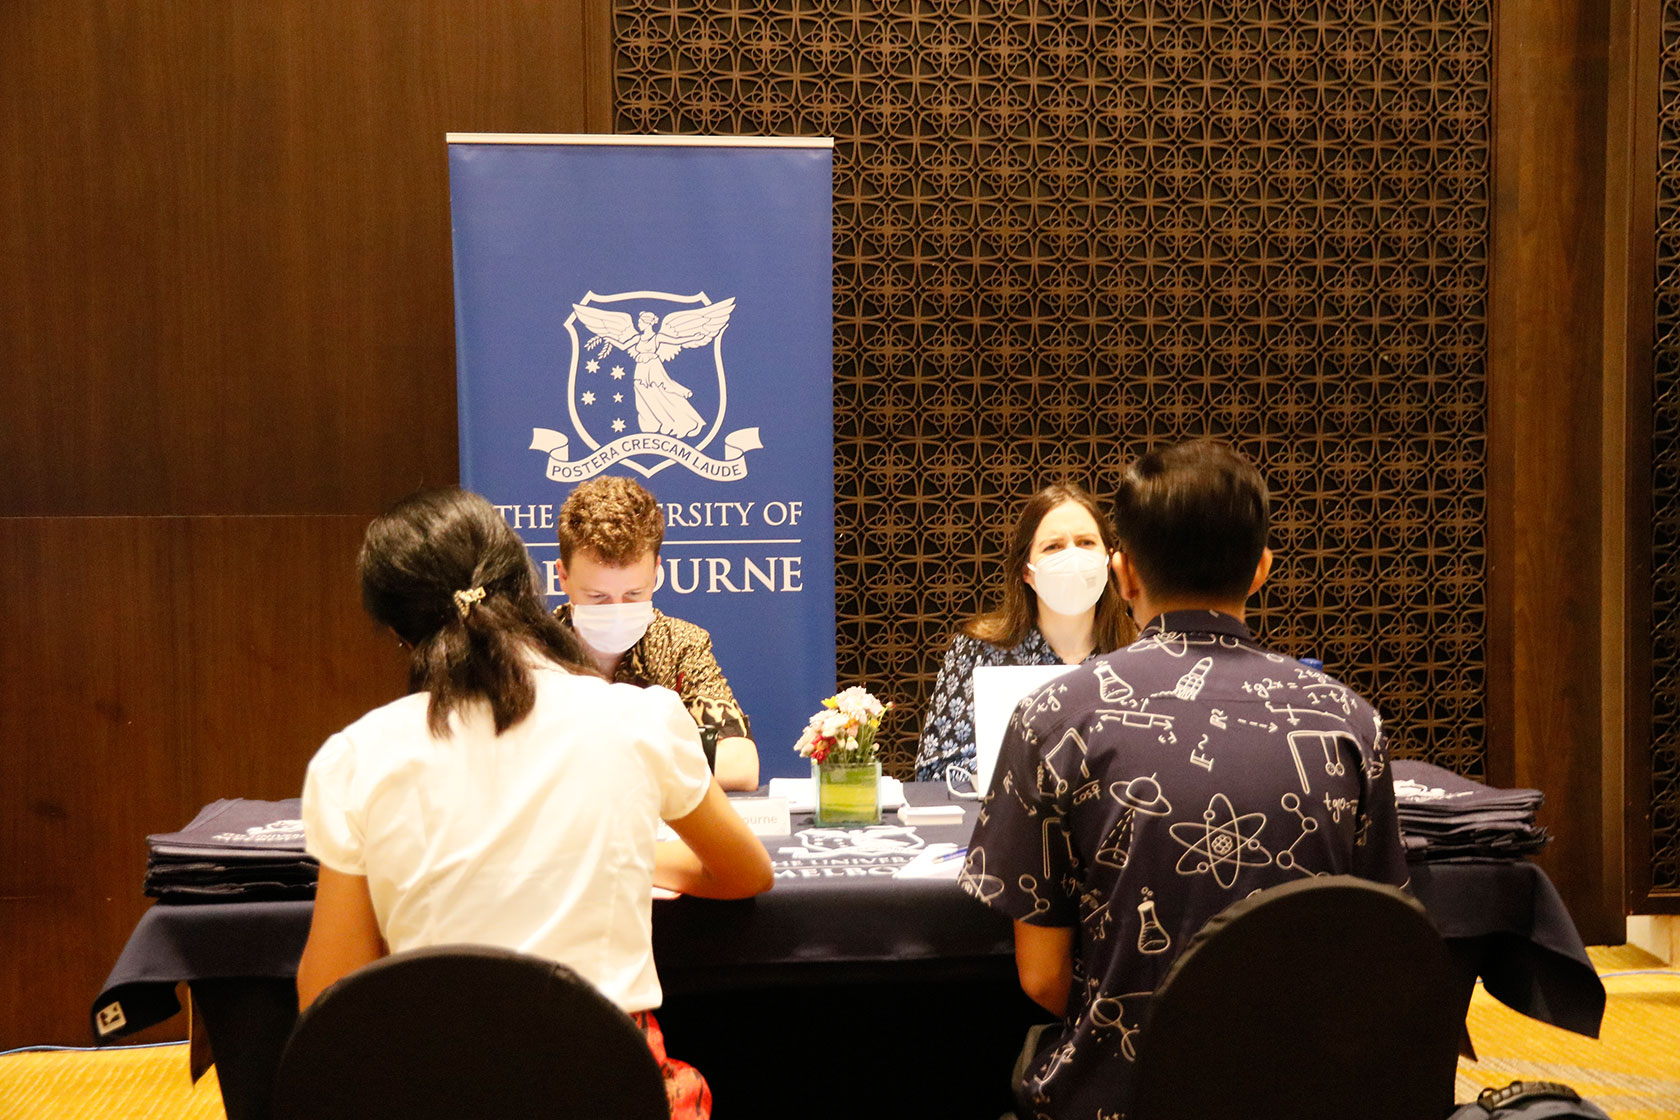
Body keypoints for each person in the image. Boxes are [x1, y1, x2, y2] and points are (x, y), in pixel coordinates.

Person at [959, 440, 1409, 1120]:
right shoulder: (1351, 721)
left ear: (1124, 572)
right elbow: (1377, 946)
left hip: (1120, 1098)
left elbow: (1043, 976)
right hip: (1307, 1097)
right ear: (1260, 570)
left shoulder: (1051, 716)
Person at [296, 488, 772, 1118]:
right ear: (529, 585)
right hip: (611, 1088)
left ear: (392, 628)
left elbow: (329, 996)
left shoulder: (354, 757)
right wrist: (632, 856)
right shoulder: (638, 719)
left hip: (434, 1090)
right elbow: (746, 873)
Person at [914, 482, 1135, 782]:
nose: (1072, 557)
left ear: (1108, 559)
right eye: (1053, 547)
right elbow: (935, 770)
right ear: (1027, 571)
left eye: (1085, 543)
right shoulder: (976, 651)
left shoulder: (1138, 652)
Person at [553, 477, 760, 791]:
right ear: (563, 577)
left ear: (656, 572)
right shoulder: (529, 650)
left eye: (634, 594)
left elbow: (740, 765)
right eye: (598, 597)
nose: (617, 609)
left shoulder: (681, 645)